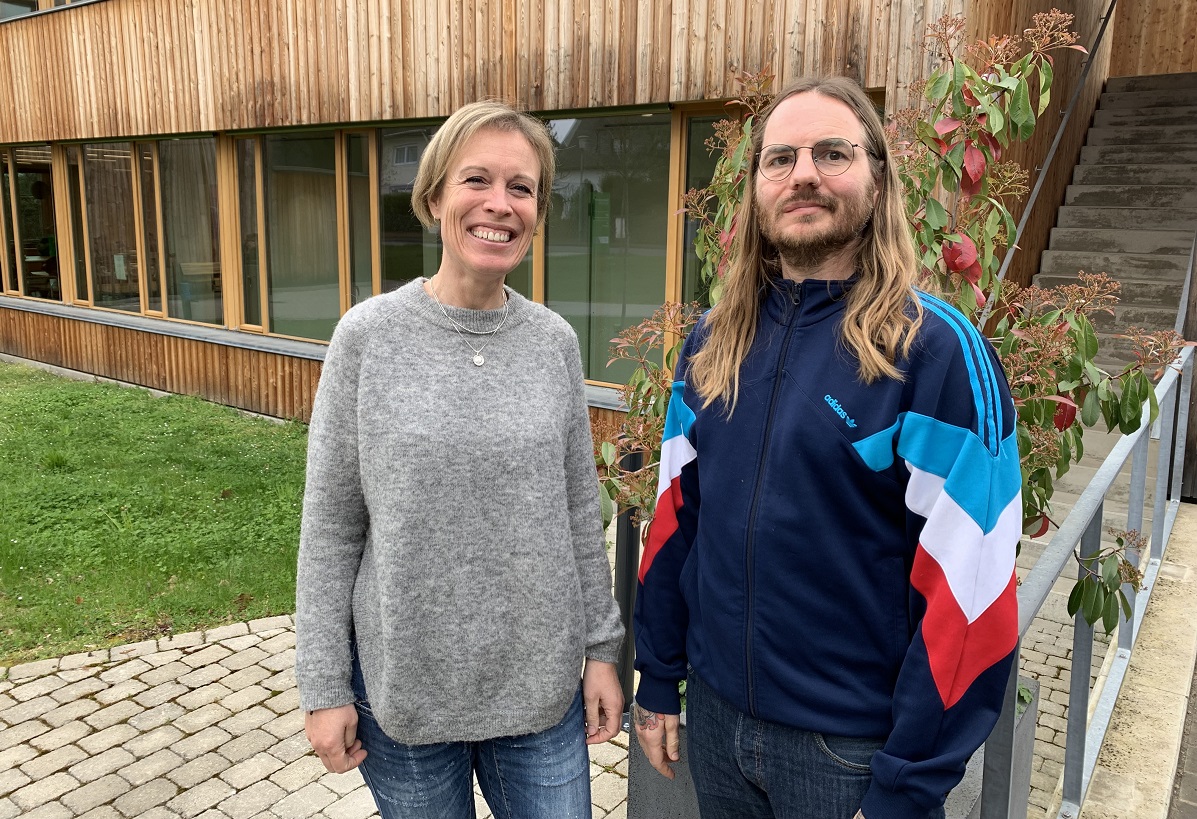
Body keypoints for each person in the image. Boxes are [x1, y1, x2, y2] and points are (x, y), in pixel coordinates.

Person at [632, 76, 1021, 819]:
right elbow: (674, 520)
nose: (802, 173)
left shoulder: (934, 352)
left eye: (831, 152)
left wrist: (903, 788)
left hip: (848, 752)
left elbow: (971, 598)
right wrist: (657, 677)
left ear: (877, 180)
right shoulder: (711, 342)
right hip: (714, 724)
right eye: (779, 158)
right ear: (755, 190)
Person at [295, 100, 625, 819]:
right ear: (435, 194)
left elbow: (577, 511)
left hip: (540, 695)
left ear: (538, 208)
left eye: (522, 187)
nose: (499, 205)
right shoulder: (368, 338)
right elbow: (330, 528)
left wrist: (603, 649)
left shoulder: (553, 343)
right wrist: (323, 686)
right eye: (477, 179)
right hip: (404, 696)